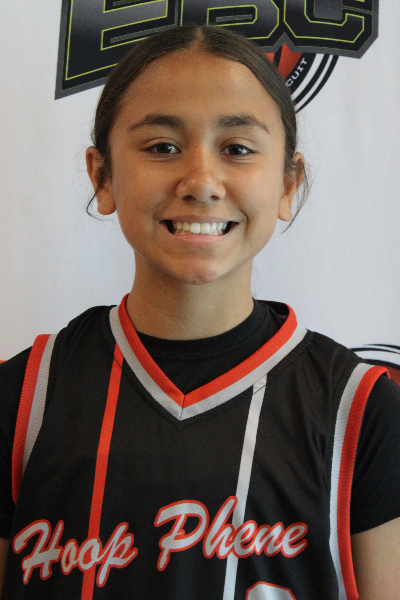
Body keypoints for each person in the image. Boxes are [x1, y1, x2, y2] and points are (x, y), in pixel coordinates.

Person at [0, 24, 400, 600]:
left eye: (237, 149)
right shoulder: (24, 398)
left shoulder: (359, 410)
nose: (201, 182)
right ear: (102, 176)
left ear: (288, 183)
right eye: (162, 147)